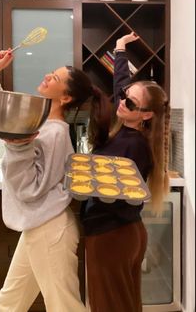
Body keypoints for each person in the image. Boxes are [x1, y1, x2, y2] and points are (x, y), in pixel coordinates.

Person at [0, 48, 112, 312]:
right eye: (51, 73)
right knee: (10, 302)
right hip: (39, 226)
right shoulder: (37, 124)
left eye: (55, 78)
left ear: (65, 97)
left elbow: (31, 190)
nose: (47, 77)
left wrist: (17, 148)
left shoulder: (55, 134)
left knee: (64, 306)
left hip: (50, 229)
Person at [80, 32, 171, 312]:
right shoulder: (131, 126)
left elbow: (111, 193)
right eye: (124, 97)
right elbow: (122, 85)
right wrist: (120, 49)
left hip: (111, 237)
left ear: (146, 115)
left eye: (130, 103)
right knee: (126, 304)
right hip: (125, 233)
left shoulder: (133, 147)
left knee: (109, 306)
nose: (122, 102)